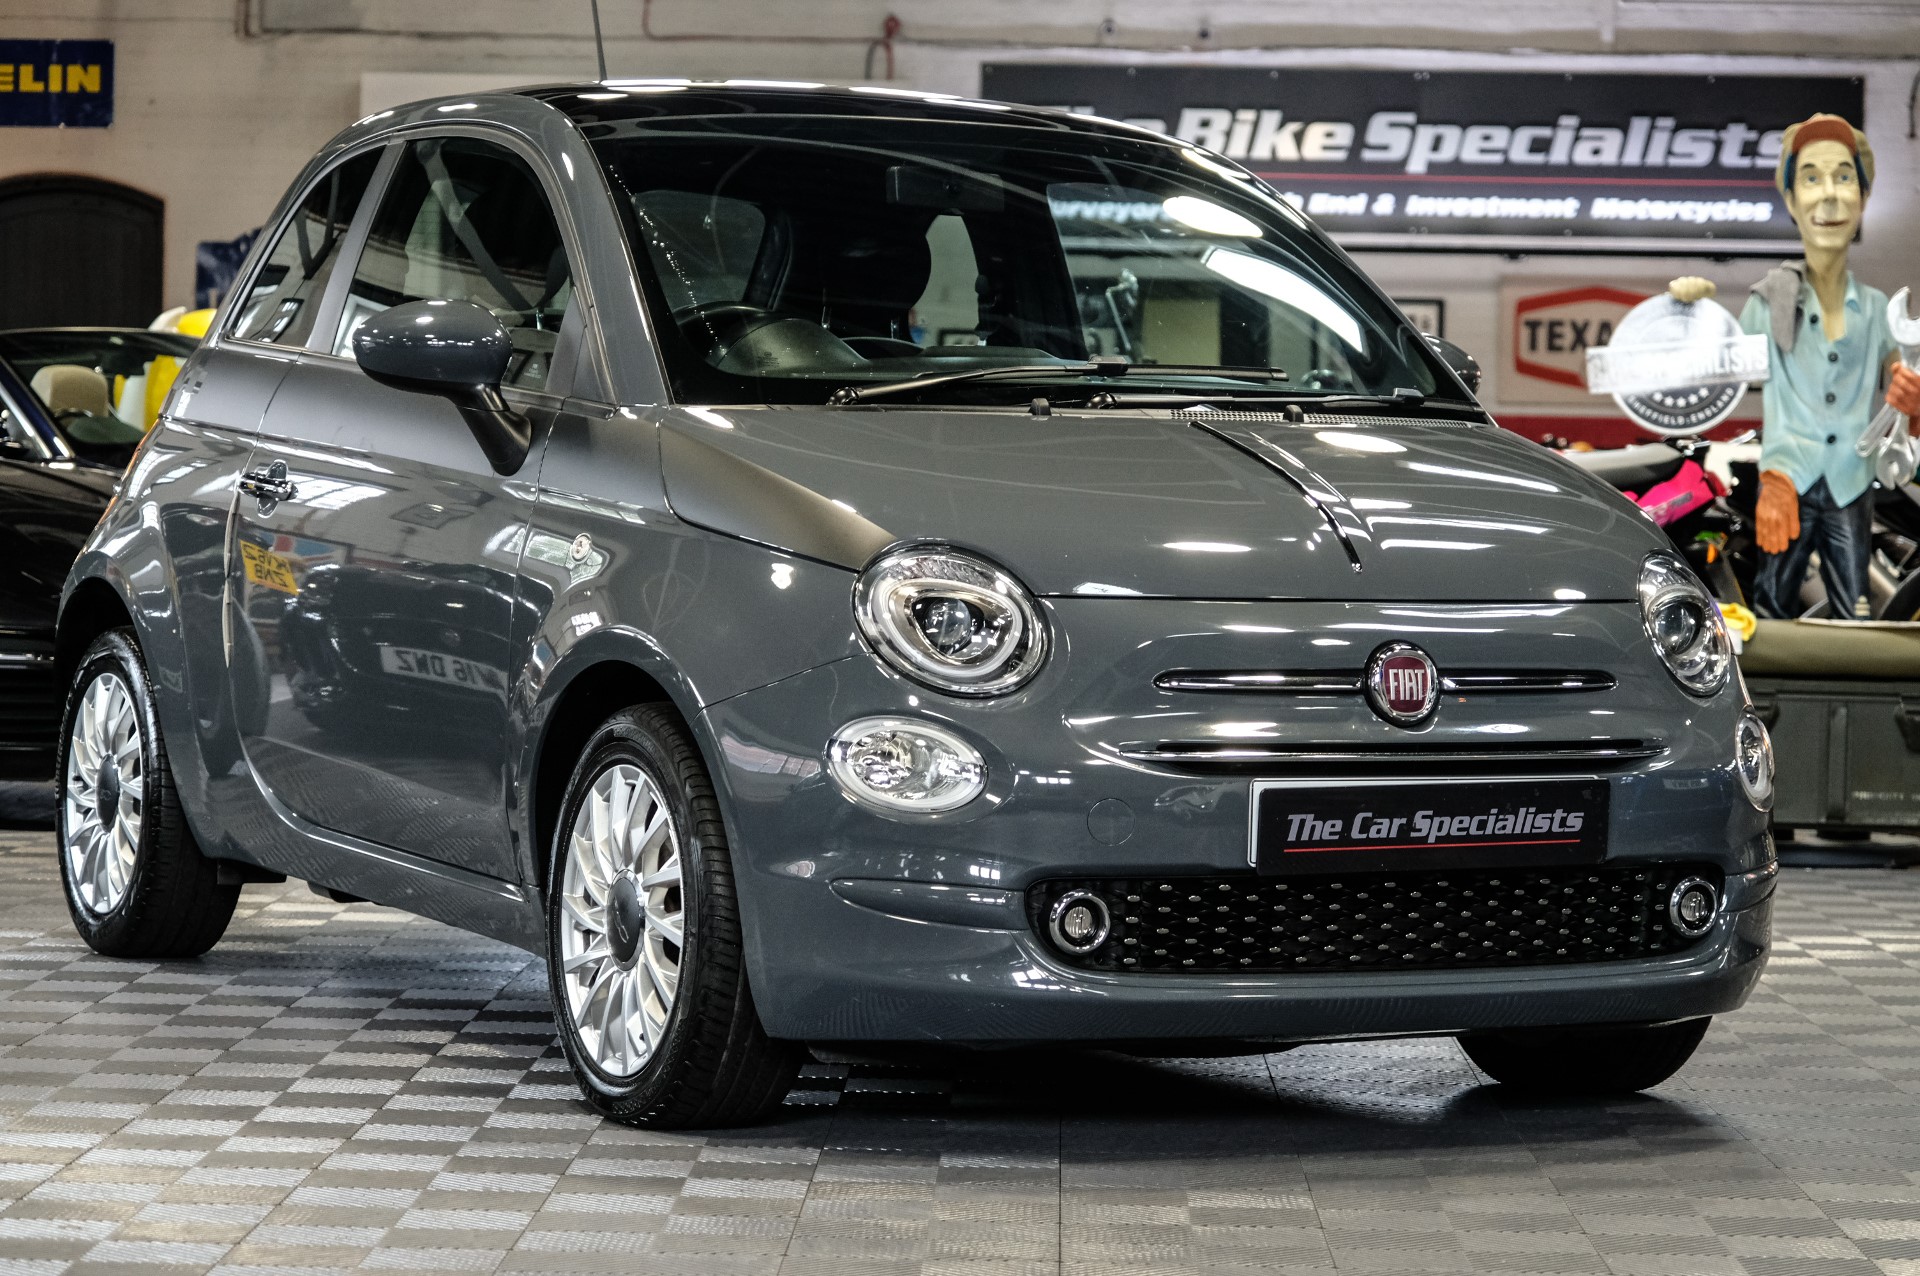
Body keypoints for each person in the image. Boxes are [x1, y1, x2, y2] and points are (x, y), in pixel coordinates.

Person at [1669, 113, 1920, 619]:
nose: (1828, 195)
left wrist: (1912, 399)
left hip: (1852, 484)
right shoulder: (1767, 303)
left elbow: (1906, 408)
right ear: (1791, 199)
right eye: (1811, 177)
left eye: (1844, 177)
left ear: (1863, 197)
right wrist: (1691, 312)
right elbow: (1721, 376)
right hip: (1785, 482)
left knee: (1857, 614)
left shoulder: (1875, 309)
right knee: (1771, 609)